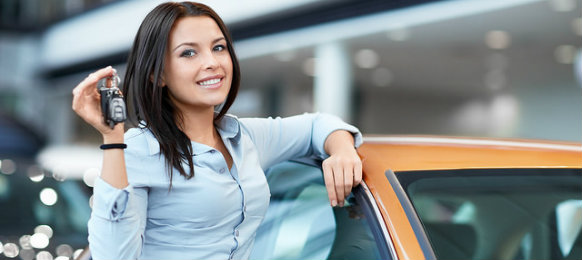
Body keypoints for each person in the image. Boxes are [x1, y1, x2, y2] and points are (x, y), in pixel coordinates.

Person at [71, 2, 362, 259]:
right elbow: (113, 255)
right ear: (158, 74)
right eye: (189, 53)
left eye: (218, 47)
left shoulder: (245, 136)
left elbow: (317, 124)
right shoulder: (138, 150)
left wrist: (342, 150)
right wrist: (112, 138)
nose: (212, 63)